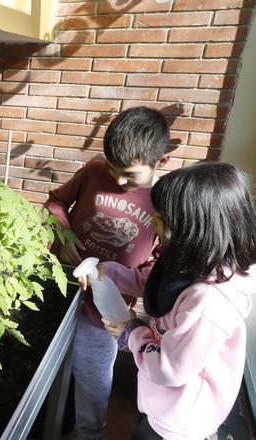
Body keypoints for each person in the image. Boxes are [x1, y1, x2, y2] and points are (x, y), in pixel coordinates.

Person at [80, 162, 256, 440]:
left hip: (180, 419)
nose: (153, 222)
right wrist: (107, 271)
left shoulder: (209, 302)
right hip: (160, 397)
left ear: (196, 226)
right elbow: (149, 281)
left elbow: (171, 369)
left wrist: (131, 332)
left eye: (162, 217)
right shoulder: (191, 257)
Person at [45, 106, 171, 439]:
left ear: (162, 161)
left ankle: (88, 433)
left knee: (93, 384)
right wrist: (64, 232)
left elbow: (161, 260)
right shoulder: (93, 172)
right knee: (44, 369)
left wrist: (134, 283)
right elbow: (55, 203)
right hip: (59, 289)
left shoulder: (164, 202)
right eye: (113, 169)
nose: (118, 180)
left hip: (105, 312)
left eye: (130, 174)